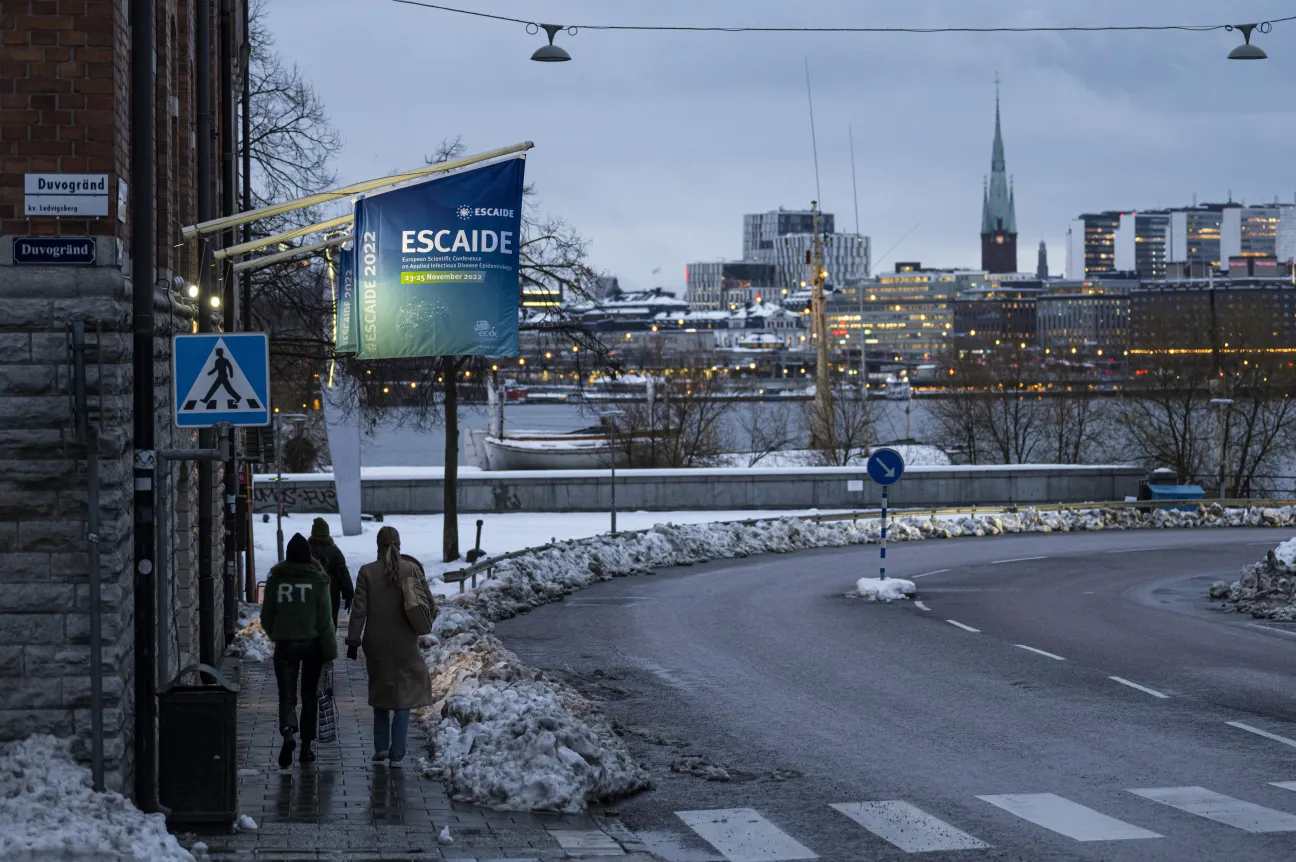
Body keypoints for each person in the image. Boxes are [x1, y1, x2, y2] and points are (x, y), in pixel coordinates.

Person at [345, 526, 434, 767]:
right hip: (405, 640)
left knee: (381, 691)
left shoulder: (367, 572)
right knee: (403, 697)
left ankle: (381, 747)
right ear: (399, 544)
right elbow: (428, 602)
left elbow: (359, 610)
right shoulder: (411, 569)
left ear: (378, 544)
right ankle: (398, 753)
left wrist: (353, 640)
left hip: (375, 642)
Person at [261, 533, 338, 768]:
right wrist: (330, 650)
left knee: (287, 696)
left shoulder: (276, 579)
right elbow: (325, 620)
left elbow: (266, 616)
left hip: (285, 645)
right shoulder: (318, 579)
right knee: (309, 696)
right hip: (313, 646)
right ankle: (306, 748)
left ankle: (288, 733)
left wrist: (277, 634)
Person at [308, 517, 354, 626]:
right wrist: (348, 595)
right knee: (329, 625)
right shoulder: (334, 551)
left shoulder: (306, 549)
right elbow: (343, 575)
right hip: (330, 596)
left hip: (309, 595)